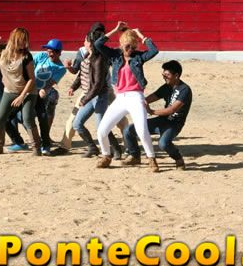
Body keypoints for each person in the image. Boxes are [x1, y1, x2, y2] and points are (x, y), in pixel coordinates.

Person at [93, 21, 159, 171]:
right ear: (121, 44)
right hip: (120, 98)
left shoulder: (138, 57)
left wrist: (140, 34)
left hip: (136, 96)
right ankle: (106, 156)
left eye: (133, 47)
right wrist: (115, 30)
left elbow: (154, 50)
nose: (130, 49)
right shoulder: (115, 55)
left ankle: (151, 158)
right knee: (101, 130)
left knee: (142, 131)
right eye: (127, 46)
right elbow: (98, 44)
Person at [123, 60, 192, 170]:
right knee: (128, 130)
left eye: (167, 75)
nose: (164, 77)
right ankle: (135, 155)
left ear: (176, 75)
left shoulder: (185, 90)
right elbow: (153, 96)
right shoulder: (167, 86)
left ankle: (178, 159)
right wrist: (141, 101)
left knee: (163, 144)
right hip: (161, 120)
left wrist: (151, 112)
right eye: (163, 75)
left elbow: (172, 110)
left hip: (174, 124)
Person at [70, 30, 122, 158]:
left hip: (99, 96)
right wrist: (73, 87)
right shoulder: (87, 55)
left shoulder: (99, 59)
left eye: (86, 40)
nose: (84, 42)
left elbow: (98, 84)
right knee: (77, 124)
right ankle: (92, 148)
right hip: (90, 96)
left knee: (101, 127)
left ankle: (116, 149)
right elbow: (82, 74)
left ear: (91, 43)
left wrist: (85, 99)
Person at [0, 27, 41, 156]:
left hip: (28, 91)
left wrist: (22, 96)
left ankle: (37, 149)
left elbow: (32, 79)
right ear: (15, 39)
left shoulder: (26, 56)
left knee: (27, 119)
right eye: (22, 40)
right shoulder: (2, 50)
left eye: (26, 40)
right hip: (10, 91)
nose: (25, 43)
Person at [31, 38, 67, 155]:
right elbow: (29, 68)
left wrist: (44, 90)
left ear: (59, 53)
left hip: (44, 90)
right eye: (48, 51)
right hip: (31, 87)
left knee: (52, 97)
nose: (49, 53)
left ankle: (45, 135)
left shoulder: (61, 68)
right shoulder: (41, 56)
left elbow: (51, 83)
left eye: (52, 52)